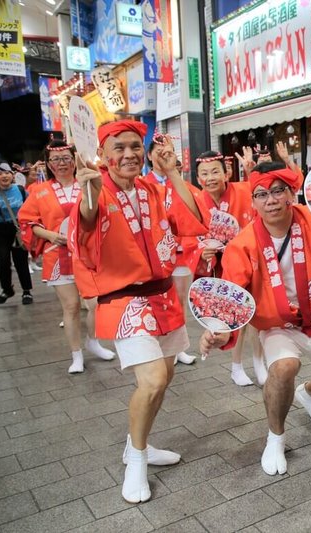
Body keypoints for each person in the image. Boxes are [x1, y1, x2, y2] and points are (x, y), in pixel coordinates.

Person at [69, 119, 207, 503]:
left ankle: (137, 444)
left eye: (135, 146)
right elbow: (85, 222)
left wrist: (174, 172)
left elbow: (194, 218)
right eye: (119, 148)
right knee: (152, 382)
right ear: (103, 154)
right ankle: (137, 461)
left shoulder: (151, 188)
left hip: (163, 297)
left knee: (165, 378)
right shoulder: (97, 187)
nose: (128, 154)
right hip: (126, 301)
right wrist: (88, 191)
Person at [200, 162, 311, 477]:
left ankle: (309, 392)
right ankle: (275, 435)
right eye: (261, 194)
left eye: (277, 191)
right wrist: (218, 331)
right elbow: (232, 296)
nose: (270, 200)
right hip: (275, 324)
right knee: (284, 367)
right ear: (253, 200)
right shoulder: (242, 245)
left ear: (290, 193)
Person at [18, 139, 116, 374]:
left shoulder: (88, 184)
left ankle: (93, 342)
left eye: (65, 158)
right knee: (71, 307)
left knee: (96, 304)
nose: (61, 164)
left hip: (88, 255)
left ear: (74, 159)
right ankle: (76, 355)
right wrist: (51, 235)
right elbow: (28, 222)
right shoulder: (38, 191)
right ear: (48, 164)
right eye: (55, 159)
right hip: (58, 256)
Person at [183, 150, 265, 386]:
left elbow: (260, 196)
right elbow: (186, 236)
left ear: (227, 172)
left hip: (250, 260)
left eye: (215, 171)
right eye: (204, 173)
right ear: (198, 178)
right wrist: (201, 251)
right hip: (220, 268)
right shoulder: (196, 201)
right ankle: (236, 366)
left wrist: (252, 171)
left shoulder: (242, 190)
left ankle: (259, 362)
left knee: (257, 316)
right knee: (235, 316)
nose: (210, 178)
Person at [144, 134, 197, 365]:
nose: (164, 153)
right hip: (155, 254)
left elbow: (193, 213)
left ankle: (178, 345)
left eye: (169, 149)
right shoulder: (142, 184)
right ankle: (161, 344)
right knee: (157, 298)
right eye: (158, 150)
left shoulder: (181, 183)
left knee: (181, 298)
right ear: (149, 155)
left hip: (181, 251)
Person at [0, 163, 33, 305]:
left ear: (12, 175)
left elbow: (31, 210)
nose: (4, 176)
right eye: (0, 174)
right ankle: (7, 290)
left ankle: (27, 291)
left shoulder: (21, 190)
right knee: (3, 261)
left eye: (7, 173)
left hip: (18, 229)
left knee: (21, 261)